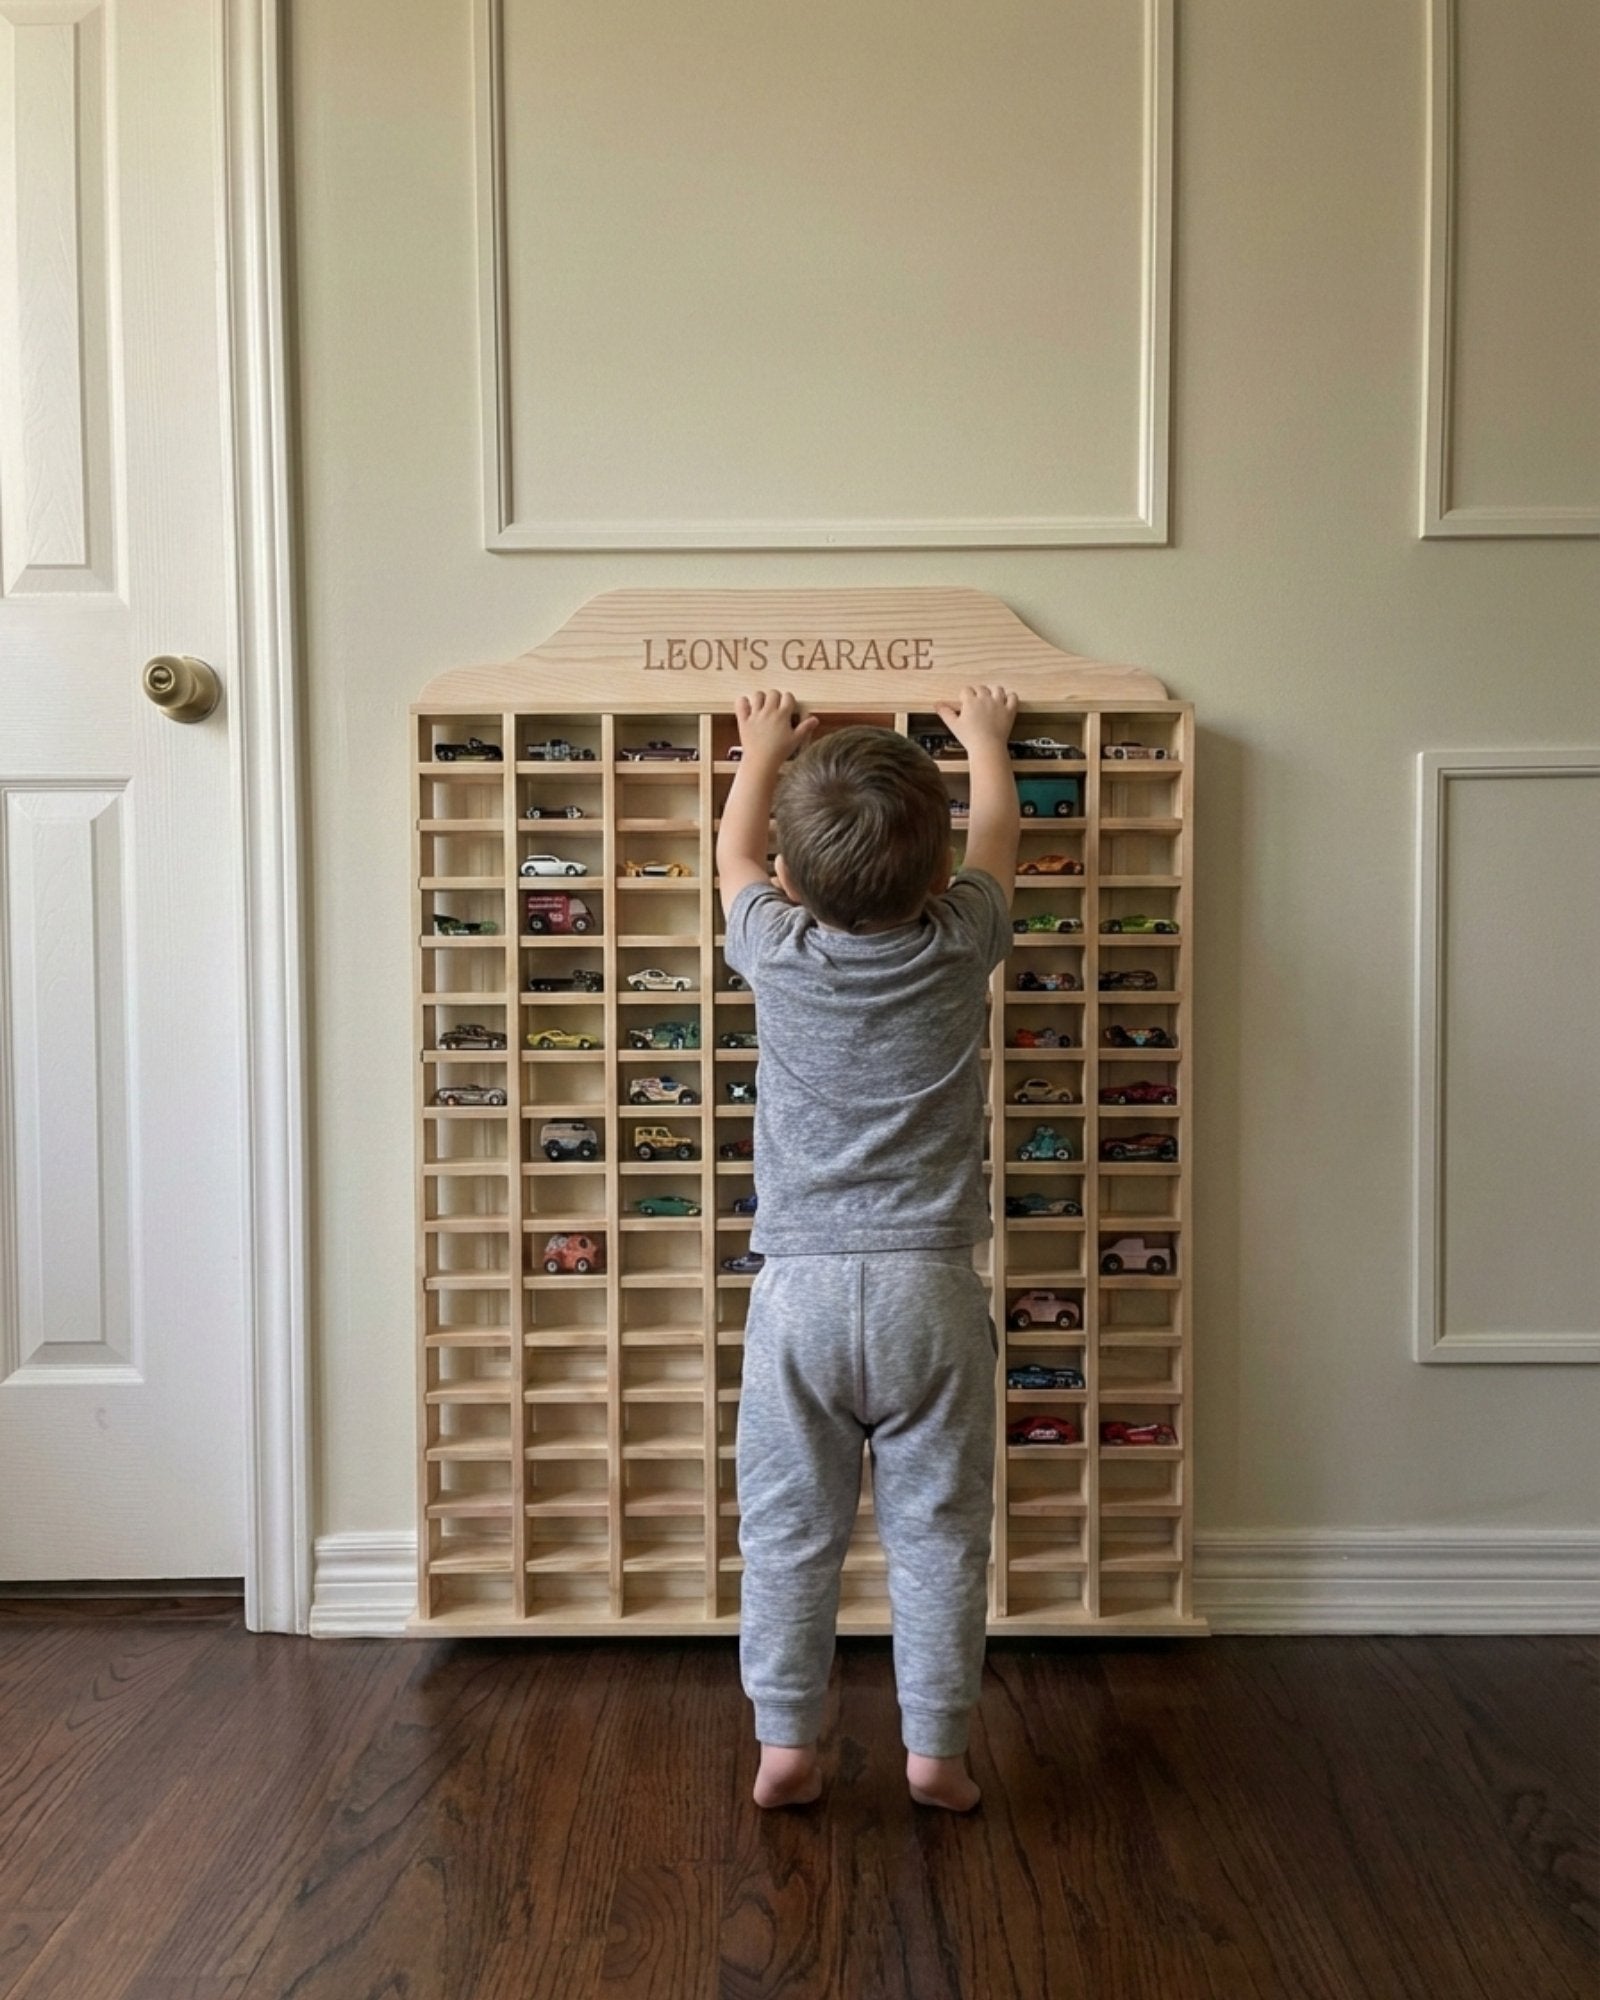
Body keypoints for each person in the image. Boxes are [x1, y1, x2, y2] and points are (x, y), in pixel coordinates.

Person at [717, 683, 1020, 1812]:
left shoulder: (775, 946)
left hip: (797, 1292)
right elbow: (998, 833)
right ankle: (935, 1749)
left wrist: (760, 751)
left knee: (791, 1526)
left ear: (794, 882)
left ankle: (785, 1741)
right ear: (937, 881)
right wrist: (984, 741)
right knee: (938, 1528)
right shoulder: (961, 941)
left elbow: (729, 854)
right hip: (929, 1290)